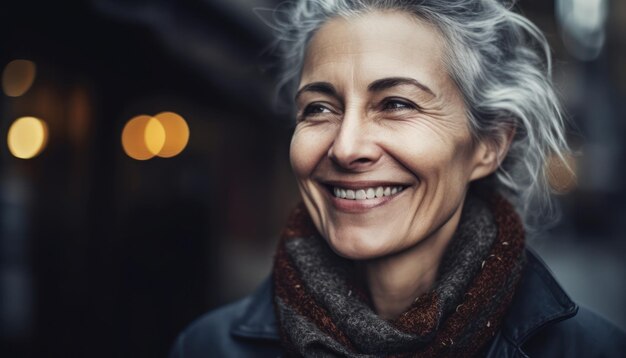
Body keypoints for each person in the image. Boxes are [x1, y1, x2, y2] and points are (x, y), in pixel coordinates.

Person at [170, 0, 626, 356]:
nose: (347, 147)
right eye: (319, 108)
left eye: (396, 104)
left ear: (489, 145)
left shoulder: (592, 351)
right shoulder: (208, 348)